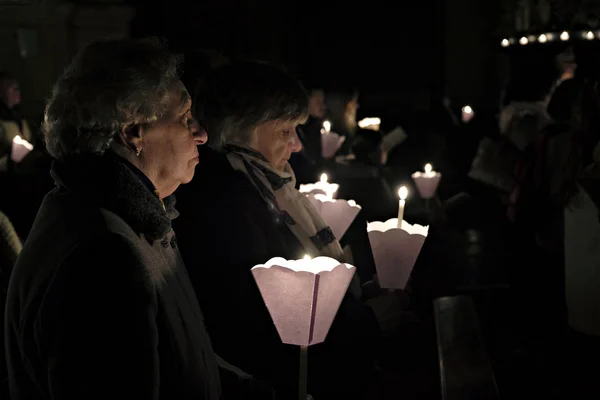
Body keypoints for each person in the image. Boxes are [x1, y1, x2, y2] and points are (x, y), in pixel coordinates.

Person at [4, 38, 272, 400]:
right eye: (184, 118)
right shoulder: (104, 256)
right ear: (134, 131)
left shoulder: (128, 219)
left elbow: (185, 361)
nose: (202, 134)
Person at [175, 61, 380, 399]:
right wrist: (369, 321)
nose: (297, 145)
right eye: (286, 131)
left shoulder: (259, 189)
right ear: (241, 131)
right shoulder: (229, 206)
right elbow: (265, 324)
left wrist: (352, 300)